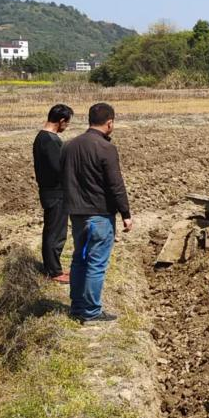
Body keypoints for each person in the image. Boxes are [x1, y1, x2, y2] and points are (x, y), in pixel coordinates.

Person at [61, 102, 132, 324]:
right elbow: (115, 184)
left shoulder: (69, 146)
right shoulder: (106, 148)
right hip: (98, 215)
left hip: (76, 213)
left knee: (79, 260)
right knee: (96, 263)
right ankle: (91, 312)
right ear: (109, 123)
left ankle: (77, 306)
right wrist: (126, 213)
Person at [33, 104, 73, 283]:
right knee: (56, 232)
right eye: (67, 123)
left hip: (49, 191)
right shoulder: (50, 140)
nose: (67, 127)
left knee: (53, 230)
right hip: (55, 192)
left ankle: (52, 267)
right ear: (61, 121)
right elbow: (58, 168)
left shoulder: (42, 137)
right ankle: (54, 271)